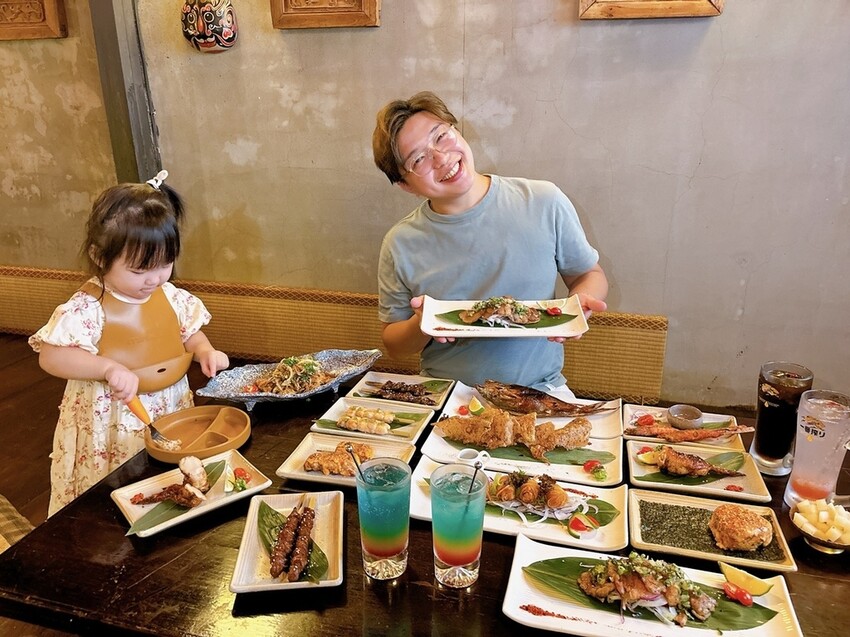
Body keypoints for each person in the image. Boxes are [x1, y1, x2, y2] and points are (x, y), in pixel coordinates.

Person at [372, 91, 608, 393]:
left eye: (441, 136)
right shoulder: (400, 243)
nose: (441, 158)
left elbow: (590, 274)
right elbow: (394, 343)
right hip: (444, 394)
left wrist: (578, 305)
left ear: (456, 131)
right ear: (405, 185)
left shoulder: (542, 201)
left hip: (539, 391)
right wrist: (422, 323)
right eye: (419, 158)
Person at [29, 170, 230, 516]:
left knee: (167, 470)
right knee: (114, 485)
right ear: (98, 254)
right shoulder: (88, 306)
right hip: (112, 416)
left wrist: (203, 350)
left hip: (168, 406)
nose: (154, 278)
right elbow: (51, 356)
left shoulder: (169, 295)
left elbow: (187, 330)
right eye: (139, 270)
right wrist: (106, 367)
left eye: (165, 265)